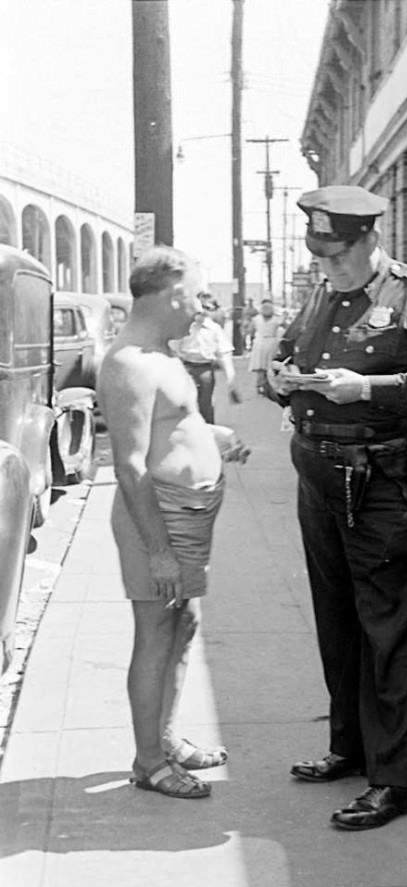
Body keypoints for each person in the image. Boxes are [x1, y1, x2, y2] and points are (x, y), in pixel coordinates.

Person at [267, 185, 407, 830]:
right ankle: (350, 747)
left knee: (388, 628)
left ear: (369, 241)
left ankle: (393, 781)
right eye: (320, 255)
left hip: (386, 481)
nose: (327, 267)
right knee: (338, 619)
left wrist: (367, 389)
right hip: (322, 475)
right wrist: (282, 380)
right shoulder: (323, 294)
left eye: (338, 255)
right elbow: (296, 358)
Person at [98, 246, 250, 799]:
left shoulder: (162, 353)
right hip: (156, 520)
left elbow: (174, 424)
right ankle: (149, 762)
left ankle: (165, 738)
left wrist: (213, 438)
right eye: (196, 295)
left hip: (186, 516)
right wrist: (158, 550)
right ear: (171, 295)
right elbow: (130, 464)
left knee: (182, 625)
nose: (202, 308)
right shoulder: (128, 363)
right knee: (156, 633)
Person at [171, 293, 239, 422]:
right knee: (185, 405)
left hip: (205, 369)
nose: (202, 311)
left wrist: (231, 380)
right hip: (186, 368)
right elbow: (173, 350)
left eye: (207, 308)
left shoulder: (214, 329)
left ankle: (208, 433)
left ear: (212, 311)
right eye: (200, 307)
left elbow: (224, 355)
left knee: (205, 405)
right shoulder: (184, 326)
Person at [248, 296, 284, 394]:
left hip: (266, 343)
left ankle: (264, 386)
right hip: (265, 343)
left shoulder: (274, 319)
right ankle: (263, 386)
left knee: (265, 366)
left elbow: (250, 331)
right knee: (264, 366)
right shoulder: (260, 319)